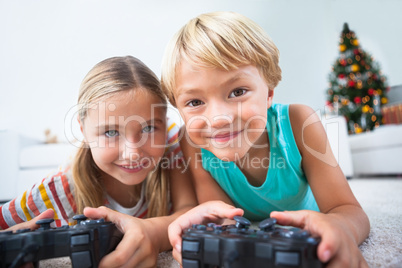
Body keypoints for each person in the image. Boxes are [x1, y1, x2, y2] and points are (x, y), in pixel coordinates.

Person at [161, 11, 370, 267]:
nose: (218, 119)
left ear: (269, 92)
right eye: (195, 102)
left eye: (237, 92)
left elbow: (349, 210)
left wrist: (340, 227)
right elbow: (221, 213)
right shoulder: (191, 142)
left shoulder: (299, 122)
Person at [0, 56, 197, 267]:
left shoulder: (171, 149)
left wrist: (154, 234)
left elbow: (189, 210)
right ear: (84, 130)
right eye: (111, 132)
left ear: (165, 123)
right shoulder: (53, 193)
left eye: (149, 128)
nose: (132, 153)